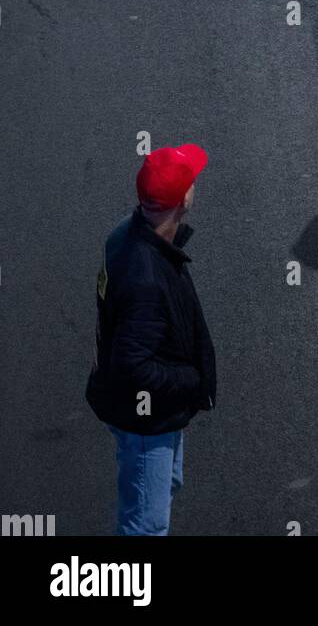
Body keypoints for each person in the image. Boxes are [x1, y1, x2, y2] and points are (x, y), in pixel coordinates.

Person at [85, 143, 216, 535]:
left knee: (163, 487)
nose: (195, 184)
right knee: (146, 523)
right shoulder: (147, 279)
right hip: (147, 422)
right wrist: (191, 381)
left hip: (155, 413)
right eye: (191, 181)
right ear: (182, 200)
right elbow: (133, 365)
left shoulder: (127, 233)